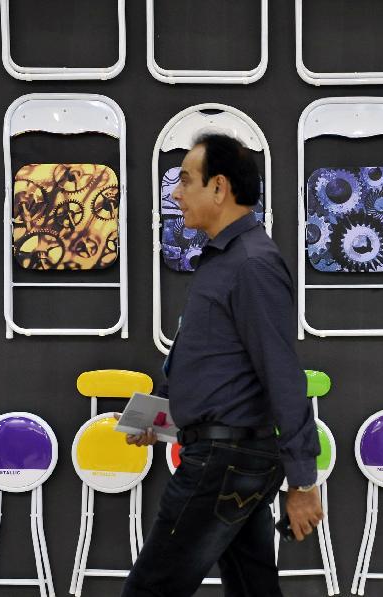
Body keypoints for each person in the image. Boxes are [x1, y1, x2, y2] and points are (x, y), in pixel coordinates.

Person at [120, 133, 323, 597]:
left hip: (224, 463)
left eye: (186, 181)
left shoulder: (252, 264)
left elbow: (282, 371)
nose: (175, 193)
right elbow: (213, 364)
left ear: (219, 188)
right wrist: (160, 416)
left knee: (150, 589)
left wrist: (304, 480)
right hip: (231, 458)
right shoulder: (224, 260)